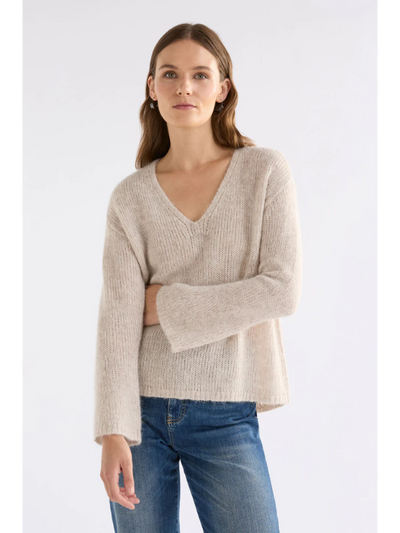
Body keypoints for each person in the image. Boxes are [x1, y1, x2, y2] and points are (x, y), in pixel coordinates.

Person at [94, 22, 303, 533]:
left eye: (200, 75)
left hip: (227, 412)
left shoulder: (264, 172)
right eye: (169, 74)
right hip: (139, 417)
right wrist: (112, 431)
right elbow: (117, 323)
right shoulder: (130, 198)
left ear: (222, 88)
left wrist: (166, 305)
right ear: (151, 88)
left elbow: (282, 289)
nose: (184, 87)